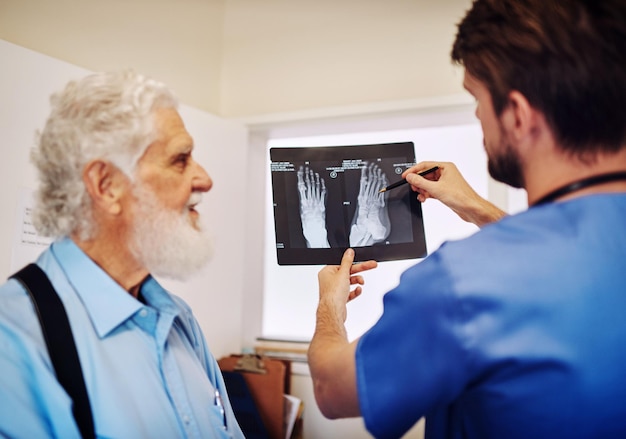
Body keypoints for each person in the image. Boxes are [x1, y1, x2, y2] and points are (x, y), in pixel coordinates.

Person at [307, 0, 626, 438]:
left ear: (517, 114)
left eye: (478, 98)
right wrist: (477, 208)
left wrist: (330, 306)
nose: (478, 115)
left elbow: (330, 388)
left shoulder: (463, 282)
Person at [0, 71, 245, 438]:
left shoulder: (180, 321)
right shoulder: (14, 340)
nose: (204, 179)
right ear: (107, 185)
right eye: (180, 159)